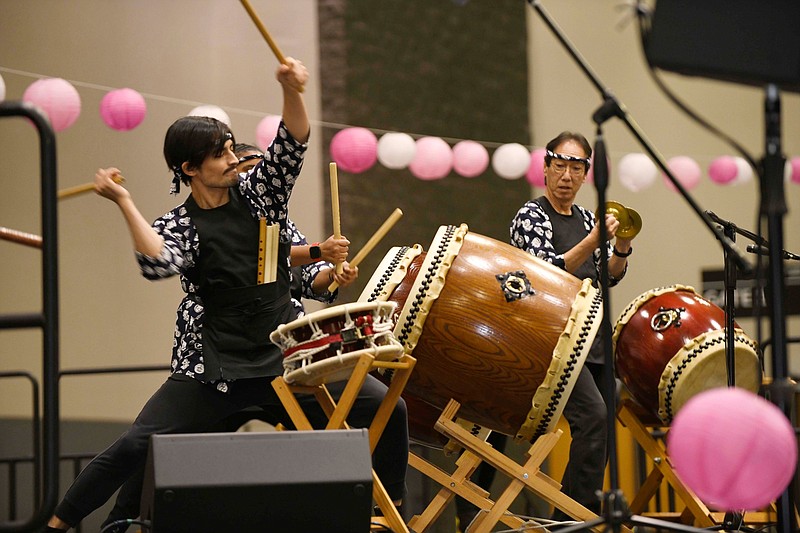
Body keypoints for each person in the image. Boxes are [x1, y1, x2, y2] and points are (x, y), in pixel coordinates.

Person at [46, 58, 408, 532]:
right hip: (214, 363)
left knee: (384, 405)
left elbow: (292, 142)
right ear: (189, 168)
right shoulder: (181, 224)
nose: (234, 158)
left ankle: (389, 514)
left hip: (286, 356)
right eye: (220, 154)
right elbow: (157, 261)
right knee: (140, 444)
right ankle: (65, 523)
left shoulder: (261, 197)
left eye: (231, 149)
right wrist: (124, 202)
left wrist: (291, 89)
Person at [509, 131, 632, 522]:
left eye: (575, 167)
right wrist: (595, 240)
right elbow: (543, 273)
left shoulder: (585, 217)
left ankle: (582, 512)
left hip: (592, 336)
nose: (566, 175)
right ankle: (572, 519)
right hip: (553, 339)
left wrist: (623, 246)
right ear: (545, 169)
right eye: (559, 165)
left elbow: (609, 275)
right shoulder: (532, 214)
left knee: (605, 415)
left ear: (585, 176)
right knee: (593, 415)